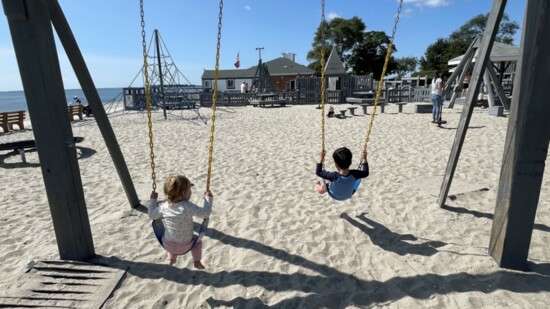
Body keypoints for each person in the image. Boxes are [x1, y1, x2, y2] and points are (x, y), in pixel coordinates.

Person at [148, 175, 213, 269]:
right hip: (186, 246)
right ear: (184, 193)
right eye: (190, 190)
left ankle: (171, 258)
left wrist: (153, 200)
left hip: (167, 245)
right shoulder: (187, 206)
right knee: (197, 242)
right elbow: (205, 213)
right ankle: (197, 262)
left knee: (170, 234)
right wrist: (208, 199)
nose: (191, 192)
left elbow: (151, 215)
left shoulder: (163, 207)